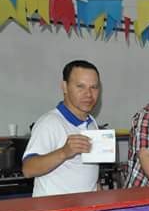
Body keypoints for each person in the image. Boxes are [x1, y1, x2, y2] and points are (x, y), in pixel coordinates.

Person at [23, 60, 102, 197]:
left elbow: (87, 171)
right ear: (65, 87)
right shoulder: (49, 123)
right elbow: (28, 169)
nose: (89, 94)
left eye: (94, 87)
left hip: (85, 206)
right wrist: (64, 152)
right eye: (80, 86)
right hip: (55, 209)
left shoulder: (91, 123)